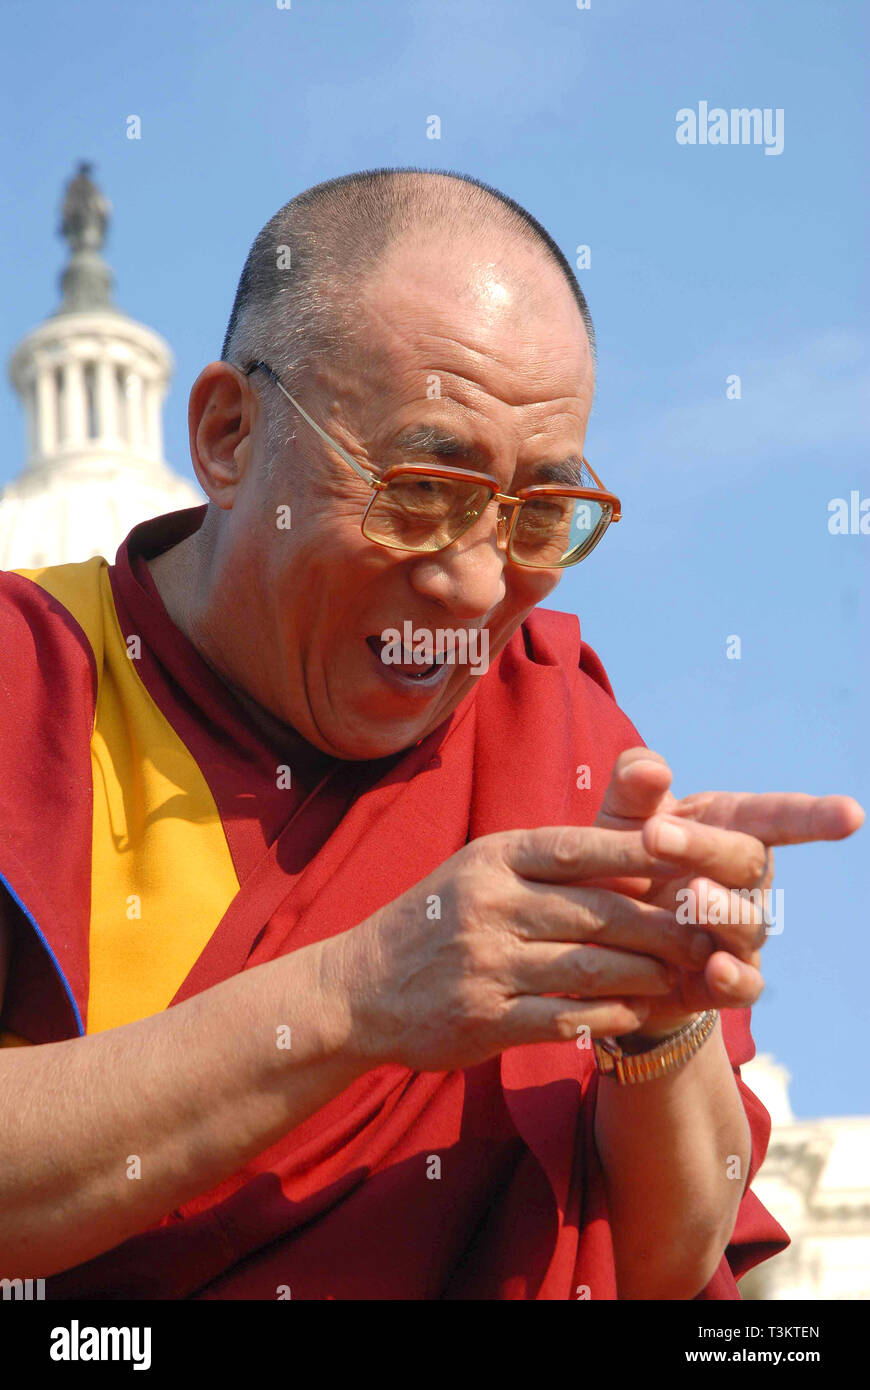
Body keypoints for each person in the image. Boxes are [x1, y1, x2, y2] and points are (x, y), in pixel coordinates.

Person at [0, 168, 862, 1300]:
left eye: (541, 515)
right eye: (419, 488)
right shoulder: (33, 686)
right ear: (226, 434)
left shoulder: (555, 725)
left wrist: (658, 1024)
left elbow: (668, 1261)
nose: (473, 586)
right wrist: (358, 998)